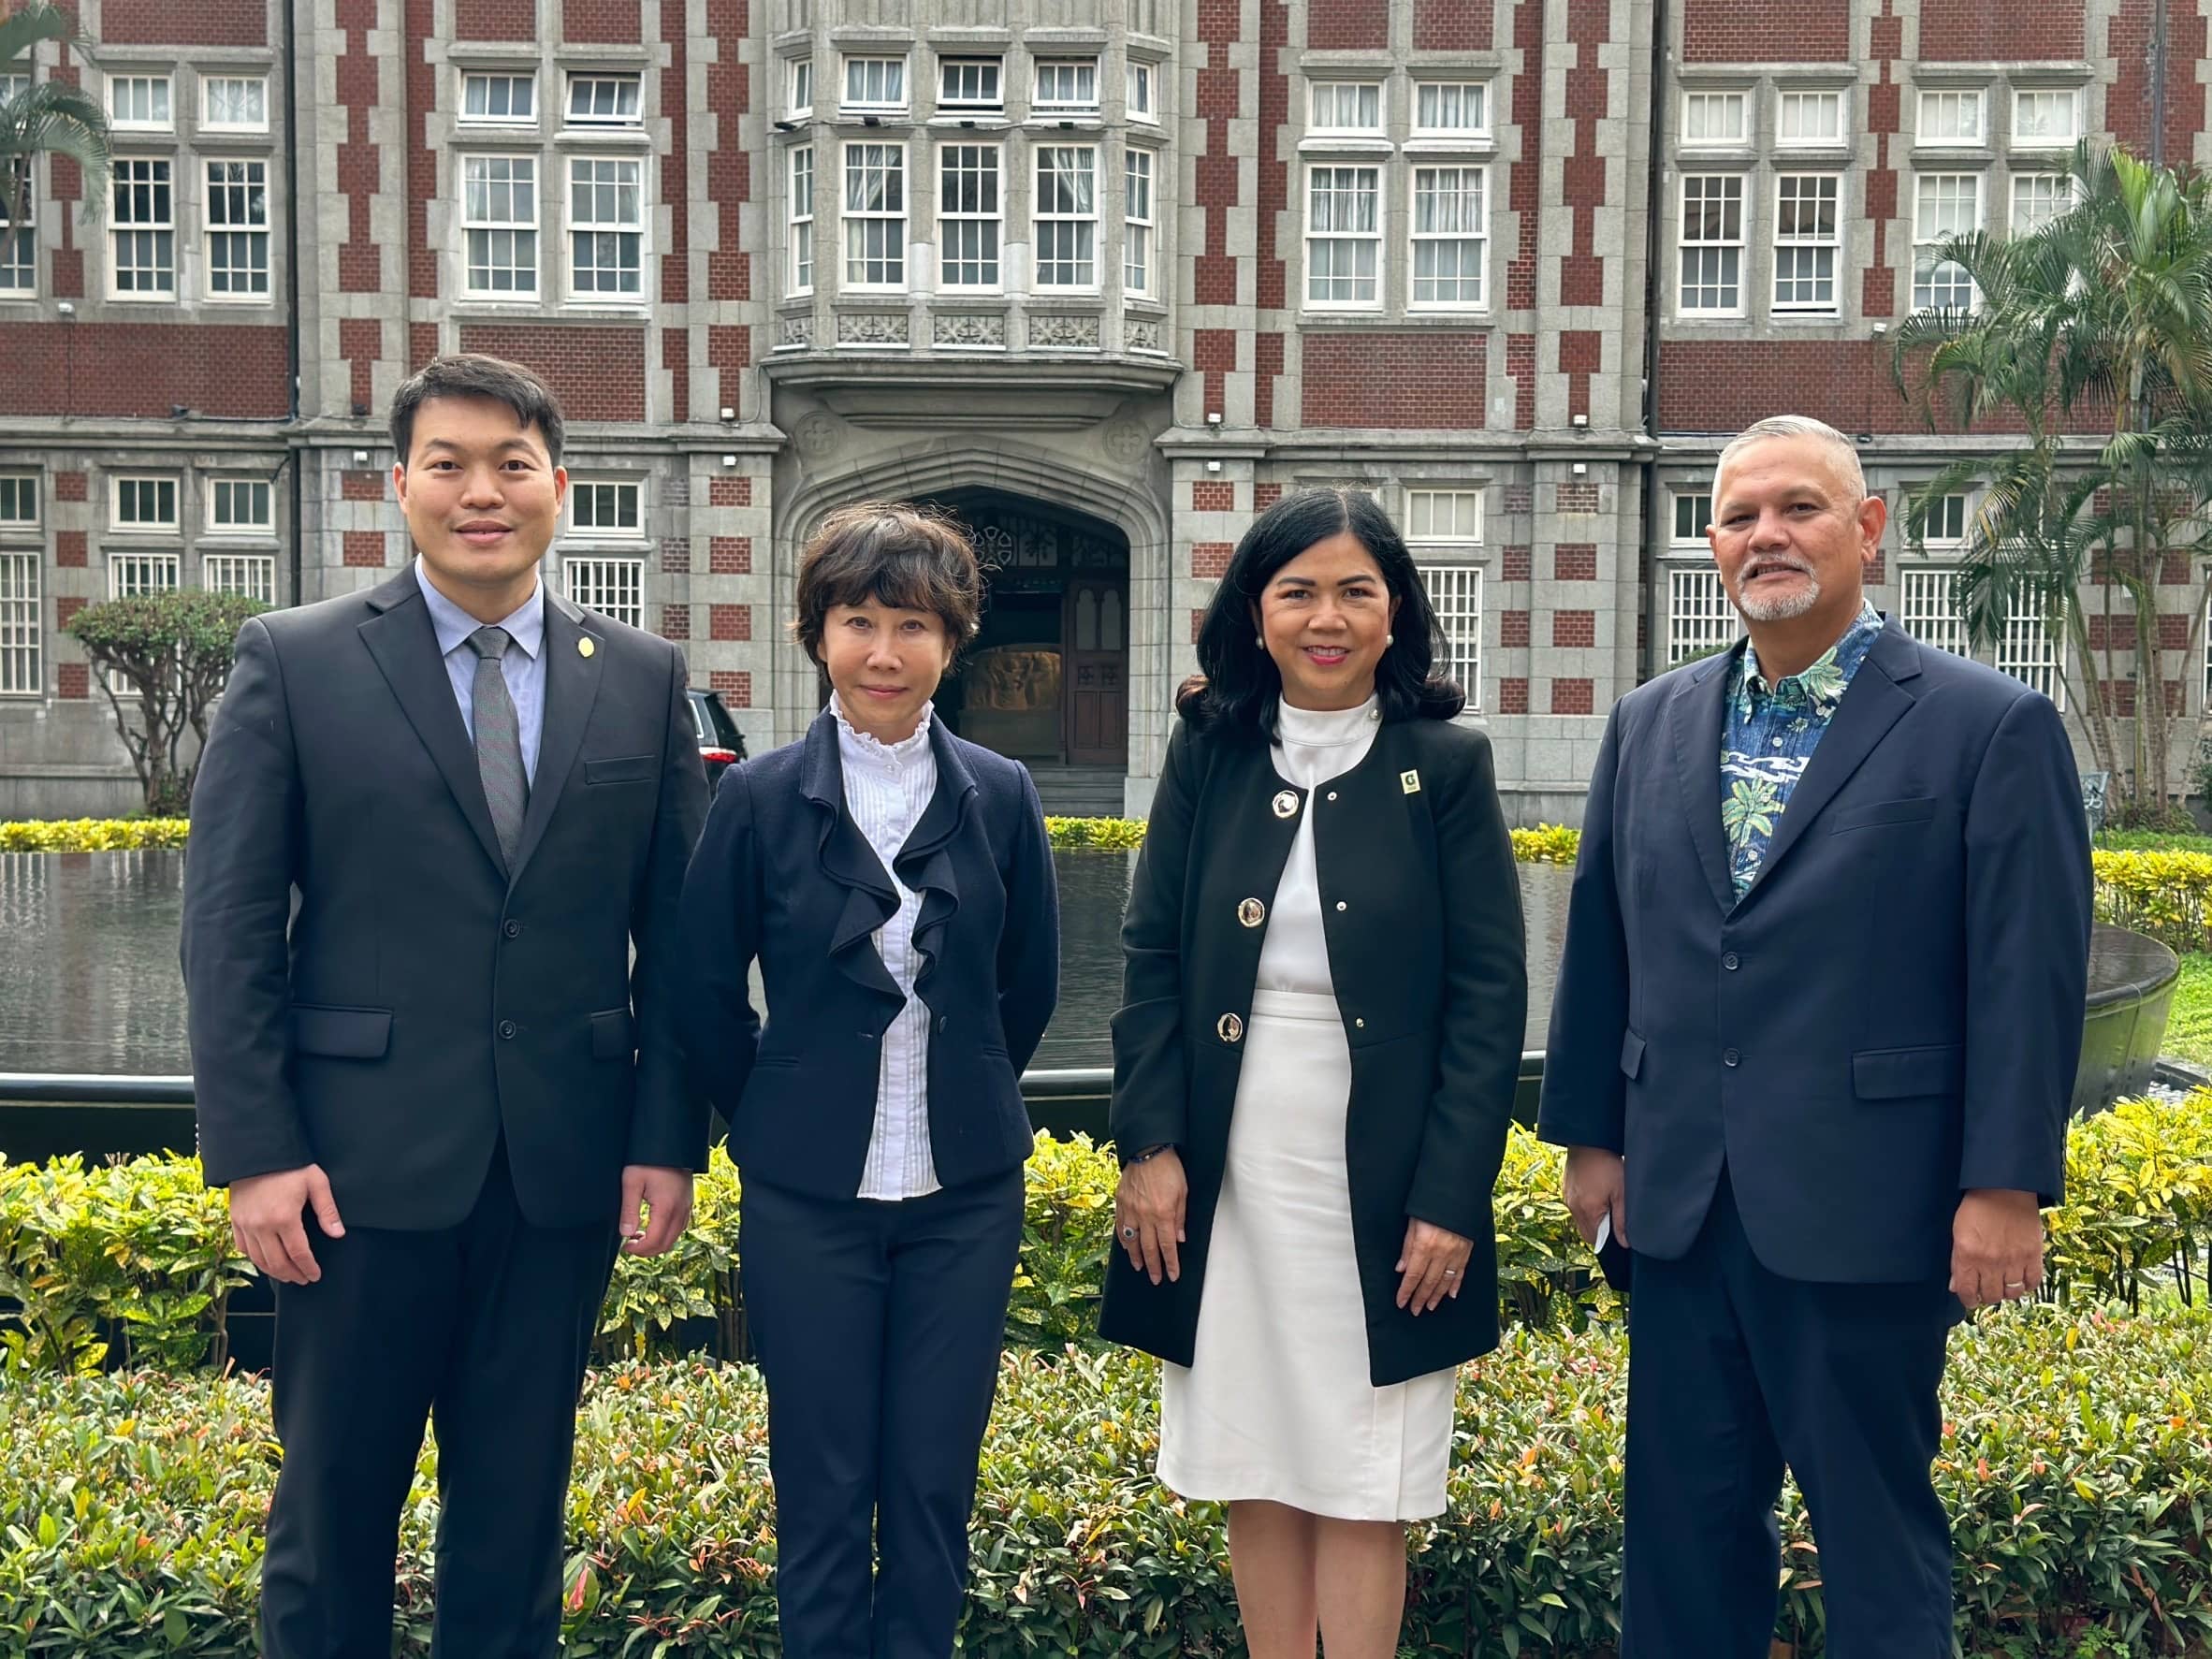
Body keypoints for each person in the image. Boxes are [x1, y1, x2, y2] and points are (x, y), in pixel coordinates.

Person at [179, 353, 709, 1657]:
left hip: (558, 1176)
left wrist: (666, 1134)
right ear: (399, 485)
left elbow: (682, 940)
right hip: (351, 1176)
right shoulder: (296, 661)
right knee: (329, 1520)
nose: (484, 492)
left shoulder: (638, 674)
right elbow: (231, 926)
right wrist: (256, 1152)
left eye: (512, 465)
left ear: (559, 487)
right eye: (450, 464)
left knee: (517, 1523)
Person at [1538, 415, 2093, 1658]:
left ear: (1868, 529)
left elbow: (2027, 973)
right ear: (1713, 543)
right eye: (1739, 516)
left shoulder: (1985, 727)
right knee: (1681, 1544)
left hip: (1868, 1209)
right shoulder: (1651, 722)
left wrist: (2004, 1185)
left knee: (1878, 1545)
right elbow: (1605, 938)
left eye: (1798, 507)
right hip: (1681, 1206)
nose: (1766, 536)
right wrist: (1591, 1135)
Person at [1100, 488, 1528, 1659]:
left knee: (1362, 1468)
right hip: (1231, 1154)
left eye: (1355, 591)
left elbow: (1489, 1000)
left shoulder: (1444, 765)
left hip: (1383, 1169)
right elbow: (1152, 954)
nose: (1325, 617)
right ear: (1255, 610)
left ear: (1397, 613)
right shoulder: (1210, 750)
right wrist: (1149, 1149)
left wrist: (1451, 1198)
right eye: (1297, 591)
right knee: (1257, 1454)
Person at [677, 502, 1060, 1659]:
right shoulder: (755, 798)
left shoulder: (1001, 793)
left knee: (935, 1482)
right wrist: (783, 1106)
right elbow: (700, 995)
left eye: (911, 624)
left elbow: (1024, 988)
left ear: (955, 640)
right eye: (857, 622)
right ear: (818, 634)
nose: (883, 653)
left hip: (964, 1194)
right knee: (823, 1481)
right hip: (806, 1199)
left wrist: (964, 1087)